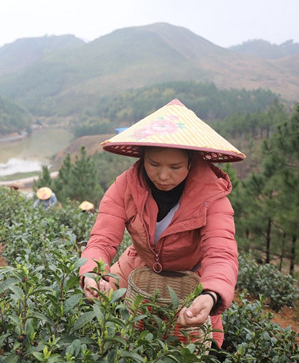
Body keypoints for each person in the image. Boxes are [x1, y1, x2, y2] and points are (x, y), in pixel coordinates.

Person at [79, 99, 245, 348]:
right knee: (115, 335)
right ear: (142, 158)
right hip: (135, 270)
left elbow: (221, 253)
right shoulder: (124, 187)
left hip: (191, 281)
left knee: (193, 346)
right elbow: (102, 239)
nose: (164, 175)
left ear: (191, 162)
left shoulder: (213, 198)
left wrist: (210, 294)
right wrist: (92, 273)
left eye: (175, 167)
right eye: (154, 165)